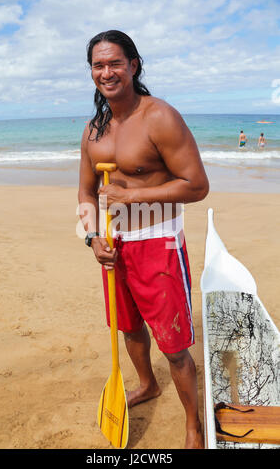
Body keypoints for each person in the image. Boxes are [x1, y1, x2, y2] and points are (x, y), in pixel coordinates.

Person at [78, 30, 209, 449]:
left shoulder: (159, 117)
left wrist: (133, 195)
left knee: (173, 346)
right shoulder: (93, 129)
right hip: (115, 247)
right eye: (98, 65)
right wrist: (91, 236)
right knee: (130, 330)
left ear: (134, 65)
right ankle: (147, 385)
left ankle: (193, 424)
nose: (107, 72)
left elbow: (196, 184)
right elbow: (85, 192)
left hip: (158, 243)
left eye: (115, 63)